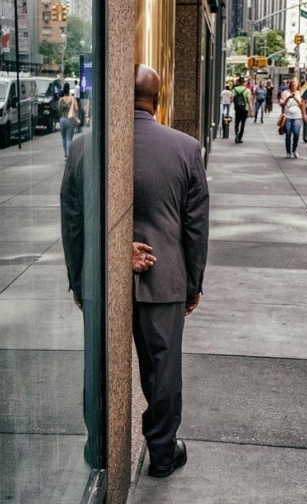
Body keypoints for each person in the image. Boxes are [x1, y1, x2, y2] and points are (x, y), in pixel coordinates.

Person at [130, 64, 210, 478]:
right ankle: (162, 452)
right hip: (165, 279)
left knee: (100, 369)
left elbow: (74, 218)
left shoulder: (86, 146)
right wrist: (193, 283)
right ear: (157, 101)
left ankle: (98, 450)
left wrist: (79, 277)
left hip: (103, 281)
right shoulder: (185, 147)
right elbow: (195, 225)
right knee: (163, 369)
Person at [279, 79, 304, 159]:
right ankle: (288, 152)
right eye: (292, 85)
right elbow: (282, 104)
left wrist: (296, 99)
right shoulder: (285, 93)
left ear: (298, 86)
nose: (294, 87)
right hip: (288, 116)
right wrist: (288, 98)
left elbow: (302, 105)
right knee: (288, 134)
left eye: (295, 85)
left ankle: (294, 149)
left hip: (297, 116)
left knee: (296, 133)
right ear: (290, 85)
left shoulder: (300, 93)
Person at [57, 82, 79, 158]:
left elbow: (58, 109)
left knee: (63, 138)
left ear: (63, 91)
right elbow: (76, 109)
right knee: (69, 138)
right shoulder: (73, 99)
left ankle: (65, 154)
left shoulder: (60, 99)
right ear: (69, 90)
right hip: (70, 120)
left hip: (62, 120)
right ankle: (69, 155)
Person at [231, 77, 252, 144]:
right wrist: (251, 111)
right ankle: (239, 138)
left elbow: (231, 99)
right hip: (244, 109)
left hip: (237, 108)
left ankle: (236, 134)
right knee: (243, 124)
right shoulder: (247, 90)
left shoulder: (234, 89)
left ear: (238, 82)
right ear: (243, 83)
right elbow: (249, 101)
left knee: (236, 123)